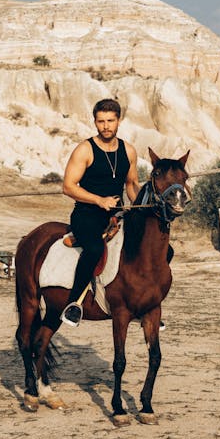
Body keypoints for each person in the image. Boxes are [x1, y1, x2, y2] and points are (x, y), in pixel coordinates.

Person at [60, 98, 139, 326]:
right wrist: (98, 200)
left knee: (156, 246)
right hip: (87, 214)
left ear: (119, 121)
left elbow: (132, 185)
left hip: (117, 214)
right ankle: (73, 304)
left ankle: (144, 304)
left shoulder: (129, 151)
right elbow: (68, 186)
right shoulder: (85, 149)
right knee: (94, 248)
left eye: (110, 121)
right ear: (95, 122)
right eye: (101, 121)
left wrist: (143, 208)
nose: (106, 126)